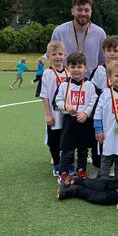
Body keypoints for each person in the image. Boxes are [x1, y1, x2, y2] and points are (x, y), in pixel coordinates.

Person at [54, 52, 98, 182]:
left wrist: (86, 113)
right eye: (73, 67)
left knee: (83, 149)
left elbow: (93, 101)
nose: (76, 70)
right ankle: (63, 172)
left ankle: (81, 170)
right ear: (67, 68)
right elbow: (58, 101)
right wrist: (67, 107)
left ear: (85, 68)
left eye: (79, 67)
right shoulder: (63, 85)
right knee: (68, 149)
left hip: (84, 120)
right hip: (69, 121)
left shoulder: (90, 85)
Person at [88, 35, 118, 179]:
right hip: (101, 112)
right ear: (103, 52)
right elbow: (92, 90)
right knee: (98, 140)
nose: (112, 53)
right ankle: (98, 166)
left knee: (116, 140)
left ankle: (113, 168)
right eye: (108, 50)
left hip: (116, 114)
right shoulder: (98, 70)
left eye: (115, 50)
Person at [51, 0, 106, 78]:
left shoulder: (100, 33)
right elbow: (53, 58)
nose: (83, 13)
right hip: (65, 84)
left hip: (91, 85)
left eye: (86, 10)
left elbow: (102, 61)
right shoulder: (59, 32)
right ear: (72, 11)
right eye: (79, 10)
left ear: (91, 11)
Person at [36, 41, 68, 176]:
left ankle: (68, 163)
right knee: (54, 140)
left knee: (67, 139)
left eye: (60, 54)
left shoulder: (69, 72)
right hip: (54, 114)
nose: (57, 57)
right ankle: (56, 163)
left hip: (67, 113)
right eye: (54, 54)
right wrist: (48, 114)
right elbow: (44, 96)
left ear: (65, 55)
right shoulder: (47, 74)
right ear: (48, 56)